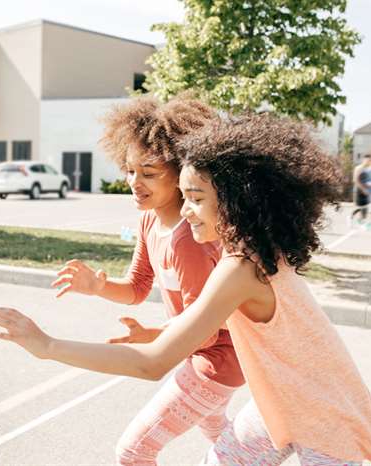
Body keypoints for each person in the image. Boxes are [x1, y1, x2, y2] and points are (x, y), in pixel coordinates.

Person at [0, 113, 371, 466]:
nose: (184, 209)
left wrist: (47, 345)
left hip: (327, 418)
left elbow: (151, 363)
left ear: (237, 202)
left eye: (195, 198)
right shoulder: (253, 252)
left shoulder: (241, 268)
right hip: (278, 403)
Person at [51, 95, 244, 465]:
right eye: (130, 170)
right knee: (218, 434)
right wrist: (97, 287)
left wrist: (153, 335)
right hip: (201, 353)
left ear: (181, 171)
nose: (134, 182)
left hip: (216, 360)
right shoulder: (150, 219)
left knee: (134, 451)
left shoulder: (189, 238)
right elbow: (138, 287)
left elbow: (203, 333)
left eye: (150, 172)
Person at [349, 154, 371, 225]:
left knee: (365, 208)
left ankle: (361, 222)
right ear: (364, 160)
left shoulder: (368, 169)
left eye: (369, 161)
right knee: (358, 207)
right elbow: (355, 180)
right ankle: (350, 217)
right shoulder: (358, 168)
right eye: (367, 160)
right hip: (358, 190)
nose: (368, 162)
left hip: (366, 190)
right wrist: (363, 189)